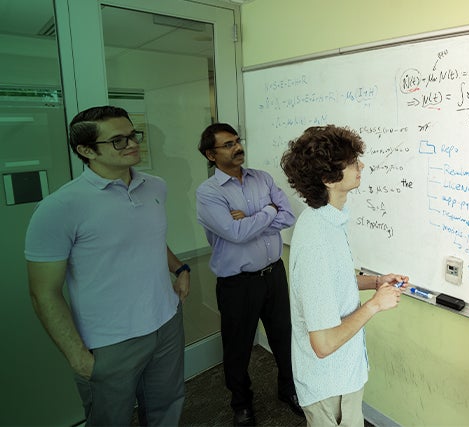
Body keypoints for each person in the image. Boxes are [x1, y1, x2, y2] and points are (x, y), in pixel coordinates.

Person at [25, 105, 190, 426]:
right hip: (110, 342)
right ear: (86, 150)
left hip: (166, 323)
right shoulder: (60, 207)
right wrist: (78, 357)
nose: (132, 144)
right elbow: (43, 292)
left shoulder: (155, 186)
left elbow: (151, 239)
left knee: (167, 407)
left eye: (132, 135)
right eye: (117, 140)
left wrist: (180, 268)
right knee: (109, 420)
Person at [280, 125, 408, 426]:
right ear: (328, 179)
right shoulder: (316, 241)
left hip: (344, 373)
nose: (360, 166)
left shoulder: (328, 221)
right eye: (352, 162)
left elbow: (334, 284)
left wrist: (376, 283)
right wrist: (375, 304)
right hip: (329, 384)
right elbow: (323, 344)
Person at [195, 123, 301, 425]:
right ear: (211, 155)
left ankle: (288, 388)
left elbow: (288, 216)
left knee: (283, 336)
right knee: (238, 347)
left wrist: (252, 218)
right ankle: (241, 403)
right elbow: (235, 233)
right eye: (227, 145)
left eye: (237, 141)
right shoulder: (208, 193)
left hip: (274, 274)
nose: (237, 148)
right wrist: (267, 212)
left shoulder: (262, 178)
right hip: (237, 283)